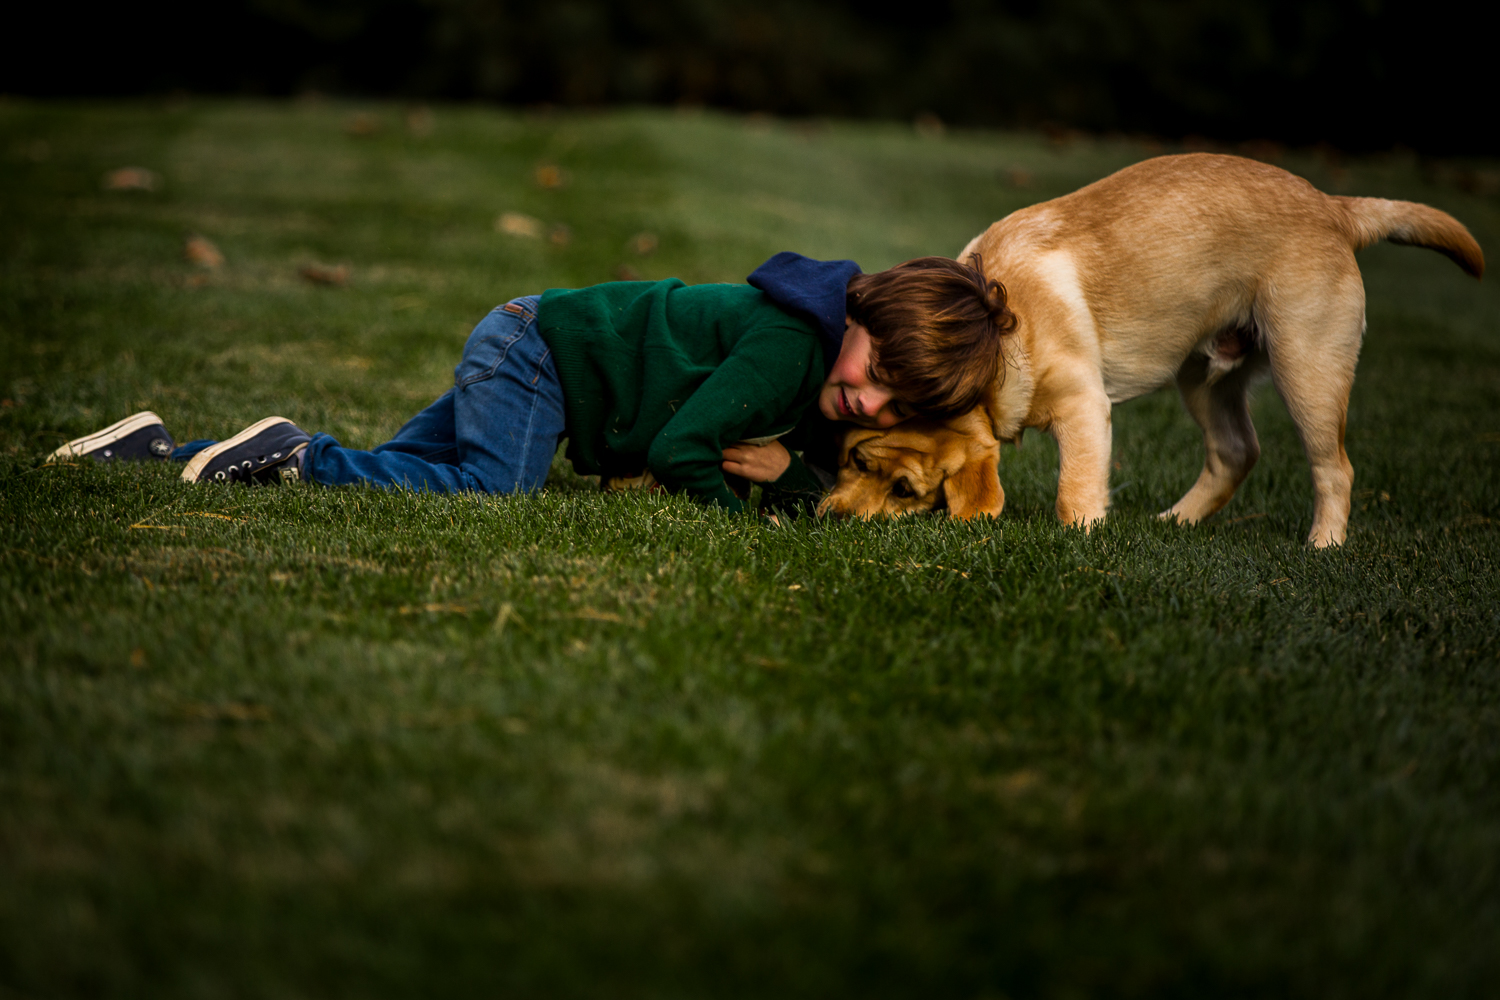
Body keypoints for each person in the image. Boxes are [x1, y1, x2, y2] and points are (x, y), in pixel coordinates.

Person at [48, 253, 1011, 515]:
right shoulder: (786, 346)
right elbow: (682, 451)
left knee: (400, 472)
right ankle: (293, 457)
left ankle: (158, 452)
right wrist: (733, 512)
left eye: (896, 405)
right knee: (487, 491)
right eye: (876, 371)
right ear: (861, 313)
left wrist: (791, 483)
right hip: (540, 352)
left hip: (539, 352)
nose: (869, 403)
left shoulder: (822, 372)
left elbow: (786, 459)